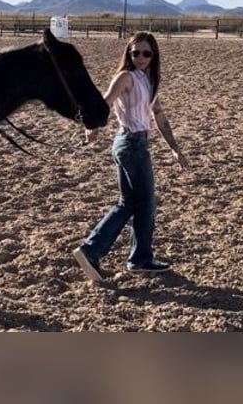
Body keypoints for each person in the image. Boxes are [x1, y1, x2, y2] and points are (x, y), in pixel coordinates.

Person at [73, 31, 189, 282]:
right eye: (135, 52)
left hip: (134, 144)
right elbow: (105, 101)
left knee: (130, 202)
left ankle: (127, 256)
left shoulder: (149, 80)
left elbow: (159, 116)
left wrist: (175, 148)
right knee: (144, 202)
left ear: (153, 55)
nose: (140, 57)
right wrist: (91, 128)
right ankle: (109, 253)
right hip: (131, 144)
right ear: (129, 53)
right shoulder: (126, 77)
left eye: (146, 53)